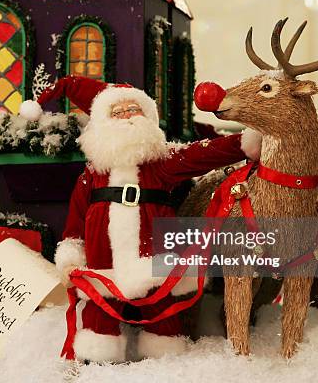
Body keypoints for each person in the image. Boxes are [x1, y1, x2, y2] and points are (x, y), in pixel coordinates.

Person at [20, 76, 261, 362]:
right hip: (103, 260)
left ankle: (164, 358)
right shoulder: (91, 176)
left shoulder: (163, 161)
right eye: (116, 112)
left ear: (148, 116)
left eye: (132, 110)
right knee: (100, 311)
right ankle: (99, 358)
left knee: (162, 311)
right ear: (102, 123)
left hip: (154, 252)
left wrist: (247, 142)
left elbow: (205, 152)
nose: (125, 118)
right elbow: (75, 220)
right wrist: (71, 255)